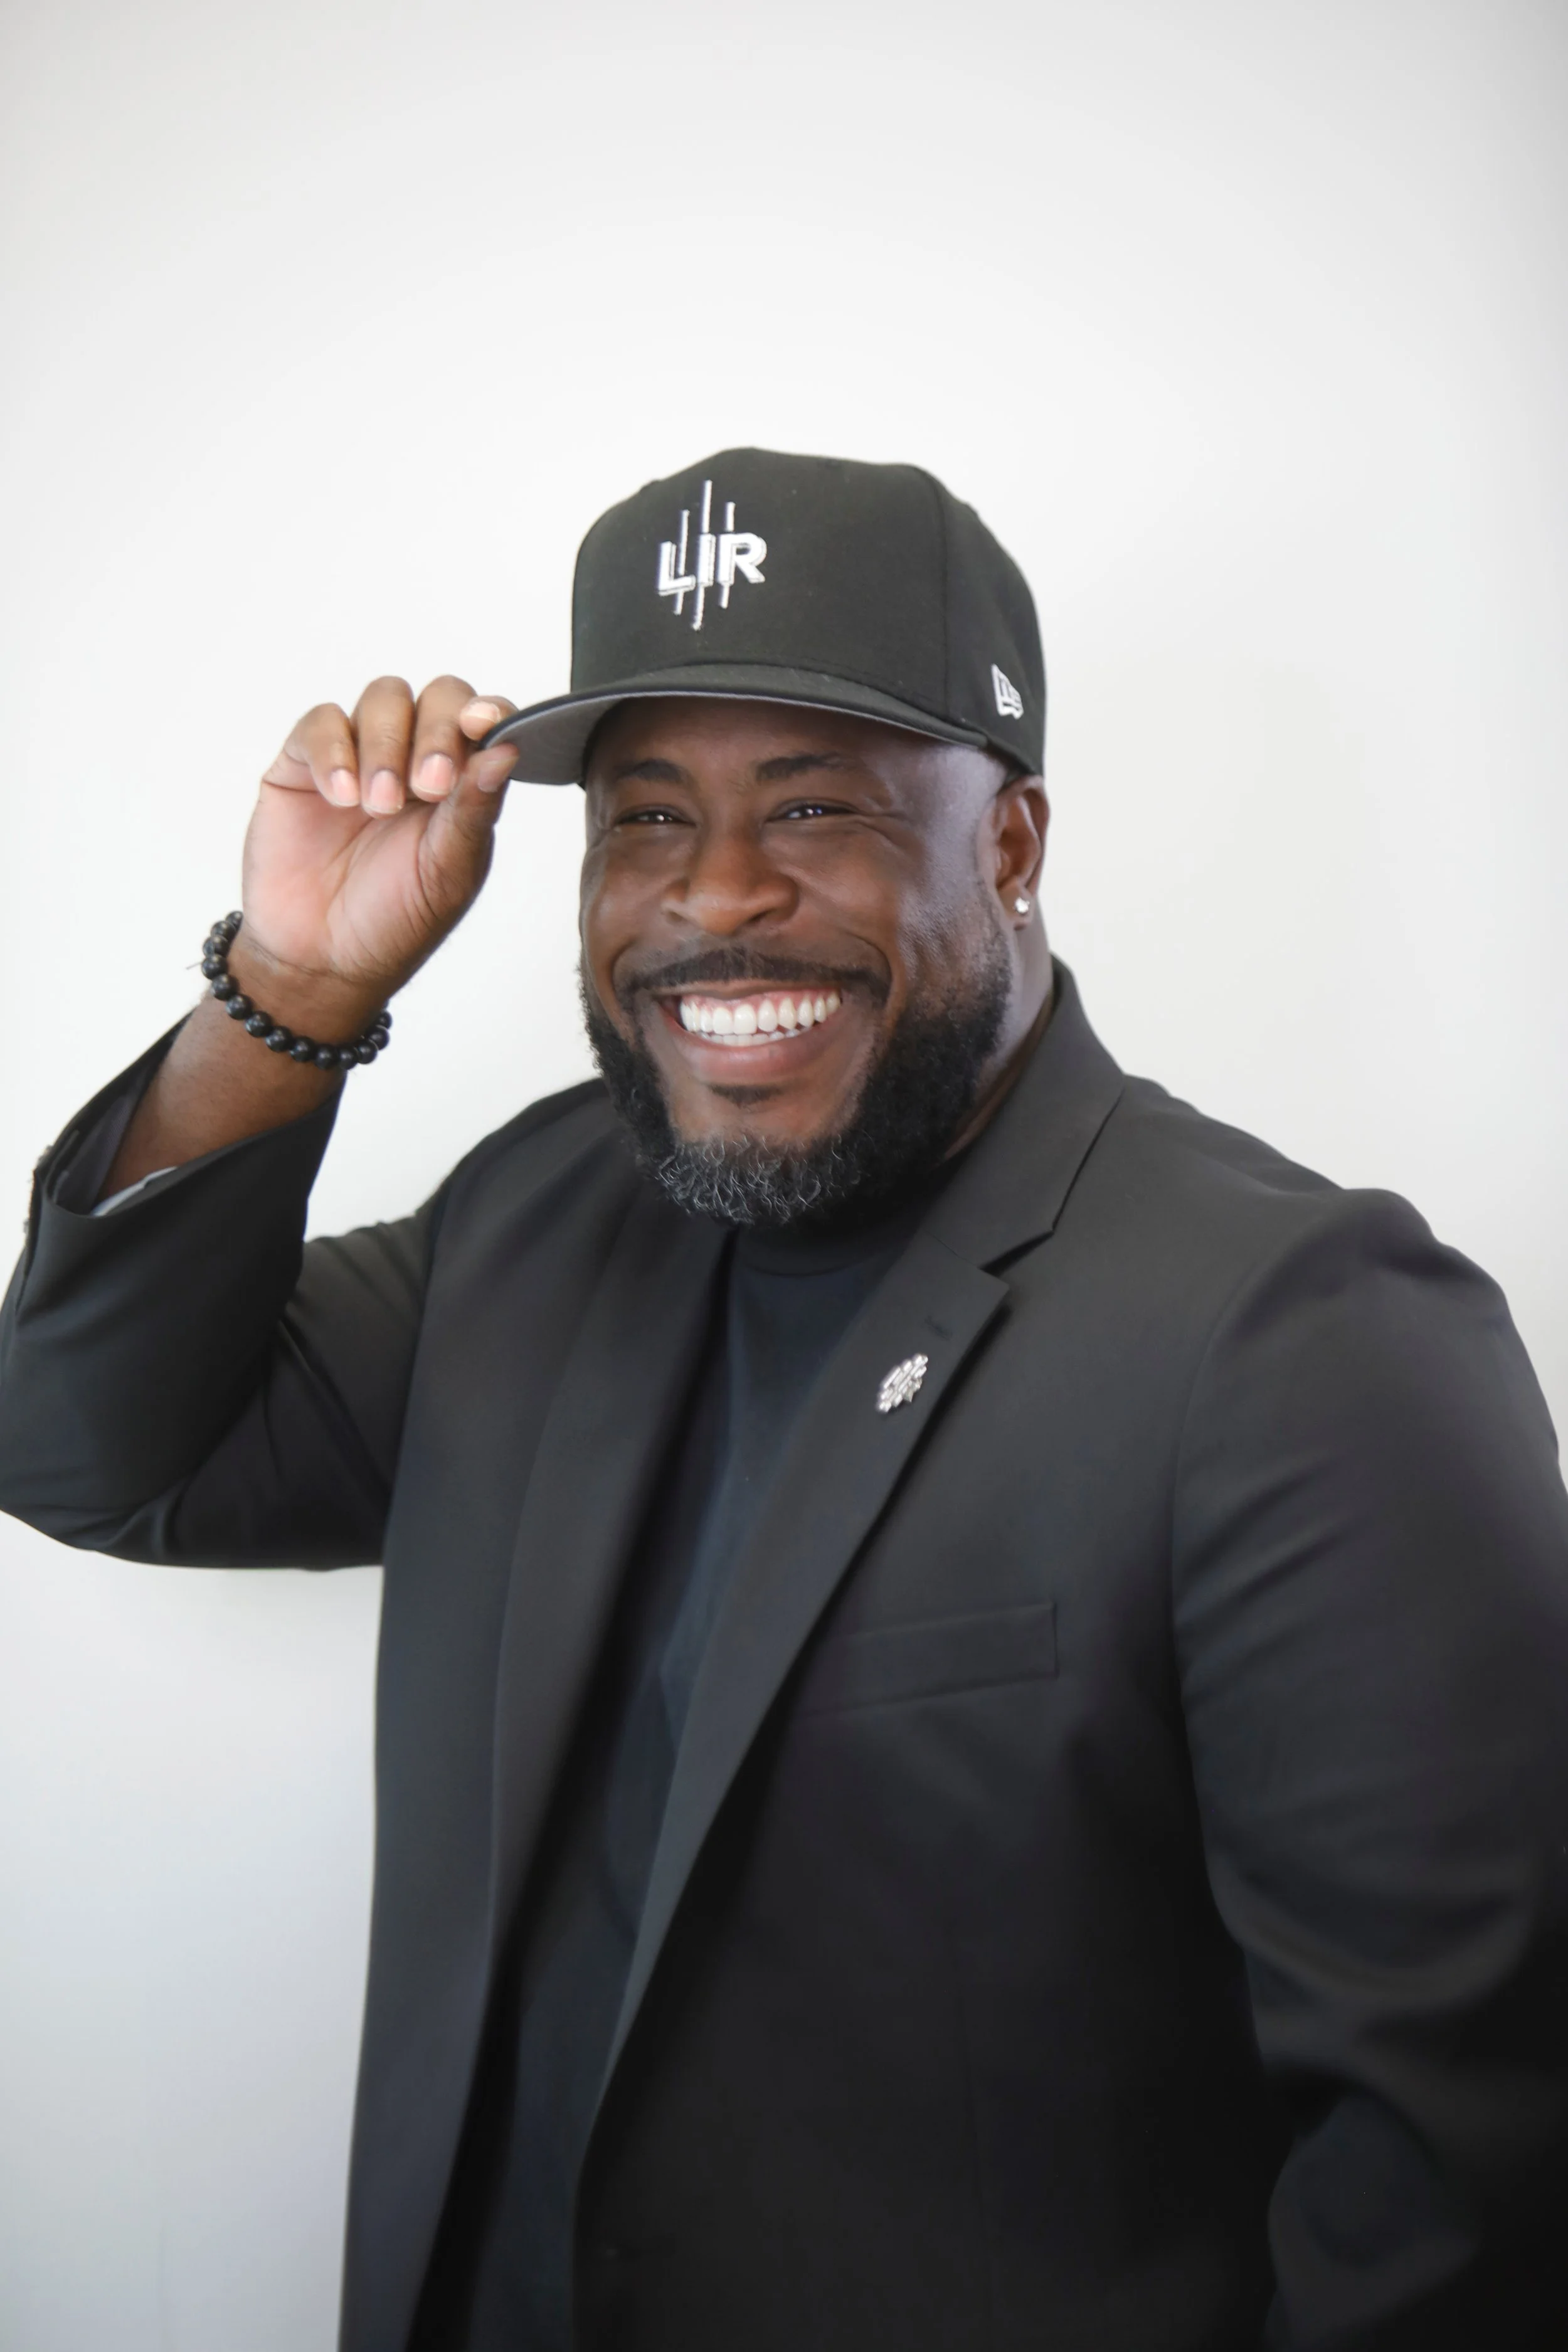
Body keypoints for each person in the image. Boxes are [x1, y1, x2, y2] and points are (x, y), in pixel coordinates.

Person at [1, 447, 1565, 2352]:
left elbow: (1452, 2187)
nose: (716, 897)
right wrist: (291, 987)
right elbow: (96, 1448)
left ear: (1006, 841)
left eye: (811, 805)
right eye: (646, 817)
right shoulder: (538, 1215)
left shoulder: (1304, 1331)